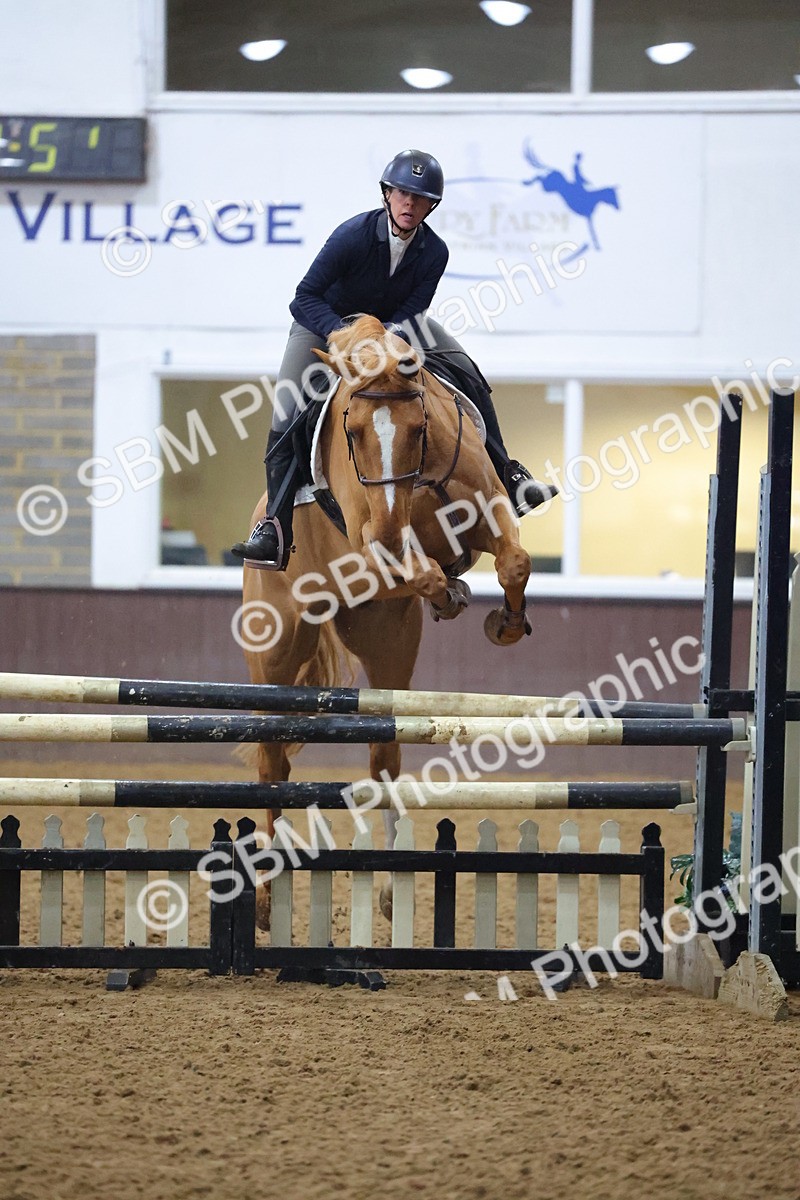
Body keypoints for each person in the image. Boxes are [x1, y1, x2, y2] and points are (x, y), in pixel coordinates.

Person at [231, 148, 556, 568]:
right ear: (387, 194)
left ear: (430, 206)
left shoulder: (435, 252)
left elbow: (415, 309)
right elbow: (303, 298)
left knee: (465, 368)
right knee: (287, 411)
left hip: (393, 328)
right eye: (402, 194)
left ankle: (510, 475)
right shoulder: (352, 235)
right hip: (326, 324)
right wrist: (345, 336)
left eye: (420, 198)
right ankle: (273, 528)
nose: (409, 204)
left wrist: (390, 336)